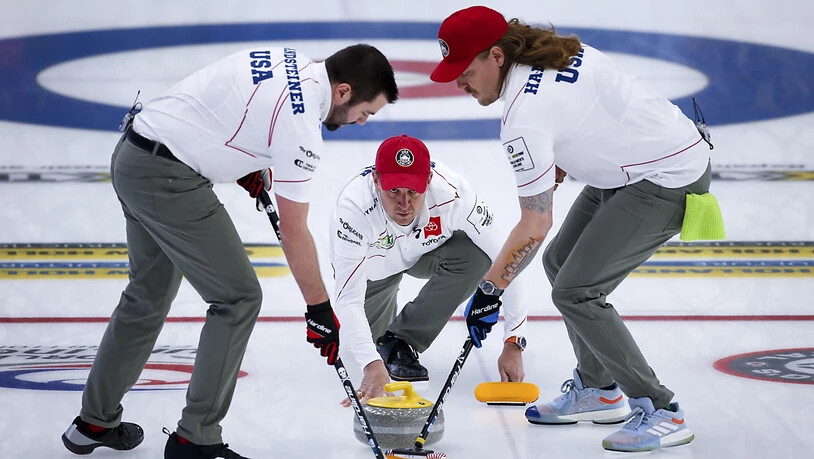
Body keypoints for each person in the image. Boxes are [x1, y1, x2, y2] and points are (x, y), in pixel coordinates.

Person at [61, 44, 398, 458]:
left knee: (147, 295)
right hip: (169, 179)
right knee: (237, 299)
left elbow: (231, 105)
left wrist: (247, 162)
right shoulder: (302, 130)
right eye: (366, 112)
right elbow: (294, 233)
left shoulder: (283, 57)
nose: (362, 122)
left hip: (135, 153)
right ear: (343, 92)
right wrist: (320, 312)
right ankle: (195, 440)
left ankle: (94, 421)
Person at [430, 6, 715, 453]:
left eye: (465, 70)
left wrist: (489, 291)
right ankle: (599, 390)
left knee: (576, 290)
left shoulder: (523, 115)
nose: (458, 83)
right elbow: (585, 115)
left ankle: (661, 410)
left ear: (497, 57)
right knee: (559, 263)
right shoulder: (549, 52)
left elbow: (535, 221)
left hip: (666, 177)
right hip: (632, 165)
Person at [330, 134, 529, 405]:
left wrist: (513, 341)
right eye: (394, 191)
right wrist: (370, 364)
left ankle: (402, 339)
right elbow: (348, 298)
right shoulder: (353, 208)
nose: (404, 204)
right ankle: (382, 340)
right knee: (363, 347)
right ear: (376, 181)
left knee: (478, 256)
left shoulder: (455, 195)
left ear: (429, 181)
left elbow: (508, 259)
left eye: (413, 191)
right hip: (374, 270)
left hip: (423, 253)